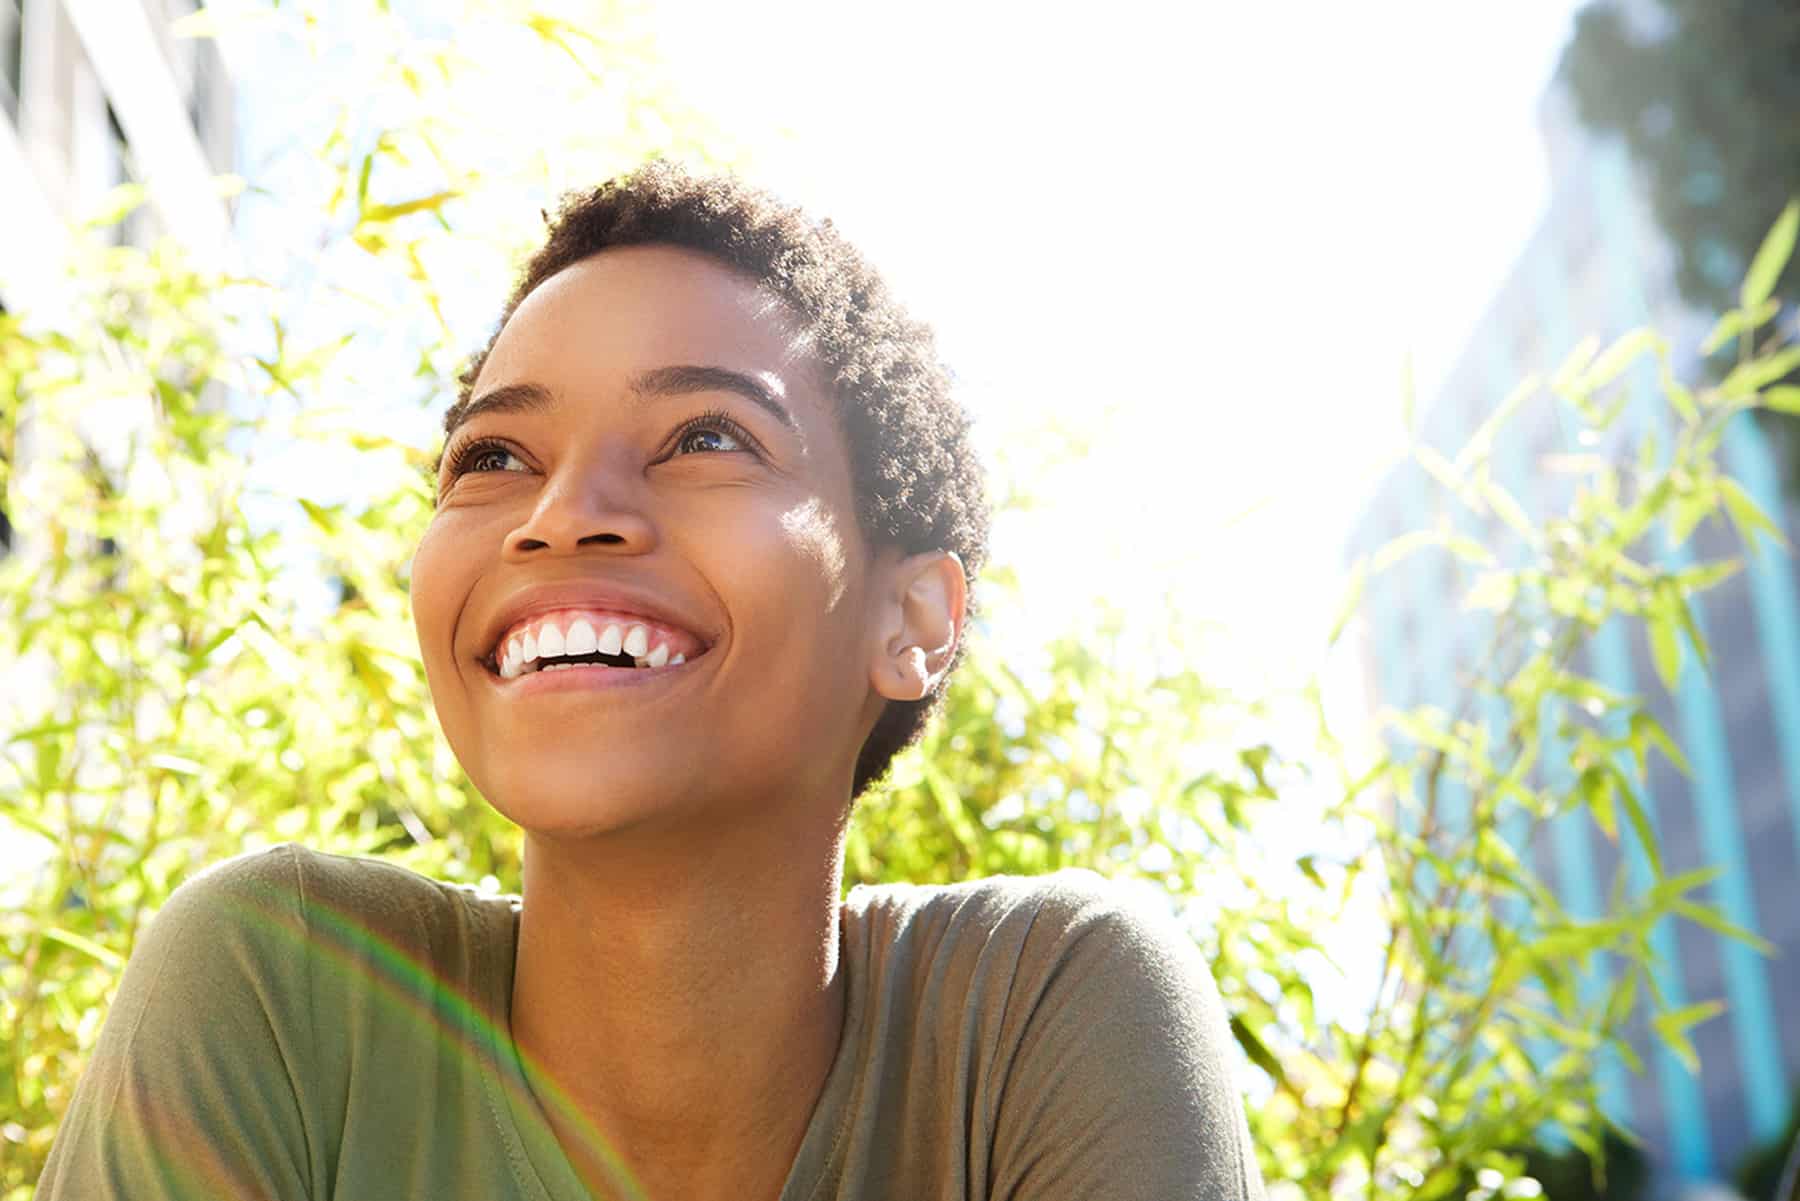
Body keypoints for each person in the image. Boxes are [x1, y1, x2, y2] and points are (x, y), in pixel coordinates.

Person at [37, 161, 1266, 1201]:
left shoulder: (1040, 1021)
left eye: (707, 438)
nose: (564, 514)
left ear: (914, 619)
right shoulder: (282, 988)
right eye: (497, 454)